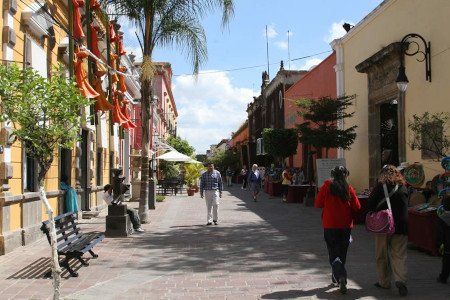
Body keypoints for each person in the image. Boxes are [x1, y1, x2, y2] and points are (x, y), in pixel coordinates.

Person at [315, 166, 360, 294]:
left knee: (332, 251)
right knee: (342, 251)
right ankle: (337, 276)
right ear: (346, 175)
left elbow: (317, 203)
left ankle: (340, 275)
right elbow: (357, 206)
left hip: (330, 224)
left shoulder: (327, 186)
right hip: (345, 225)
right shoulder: (349, 188)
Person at [367, 165, 408, 296]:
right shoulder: (403, 187)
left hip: (383, 226)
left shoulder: (380, 187)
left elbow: (370, 205)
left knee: (382, 255)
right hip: (401, 227)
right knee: (399, 255)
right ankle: (400, 280)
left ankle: (384, 281)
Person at [436, 195, 450, 284]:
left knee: (446, 262)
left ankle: (443, 277)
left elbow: (439, 234)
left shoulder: (442, 218)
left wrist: (439, 244)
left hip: (448, 245)